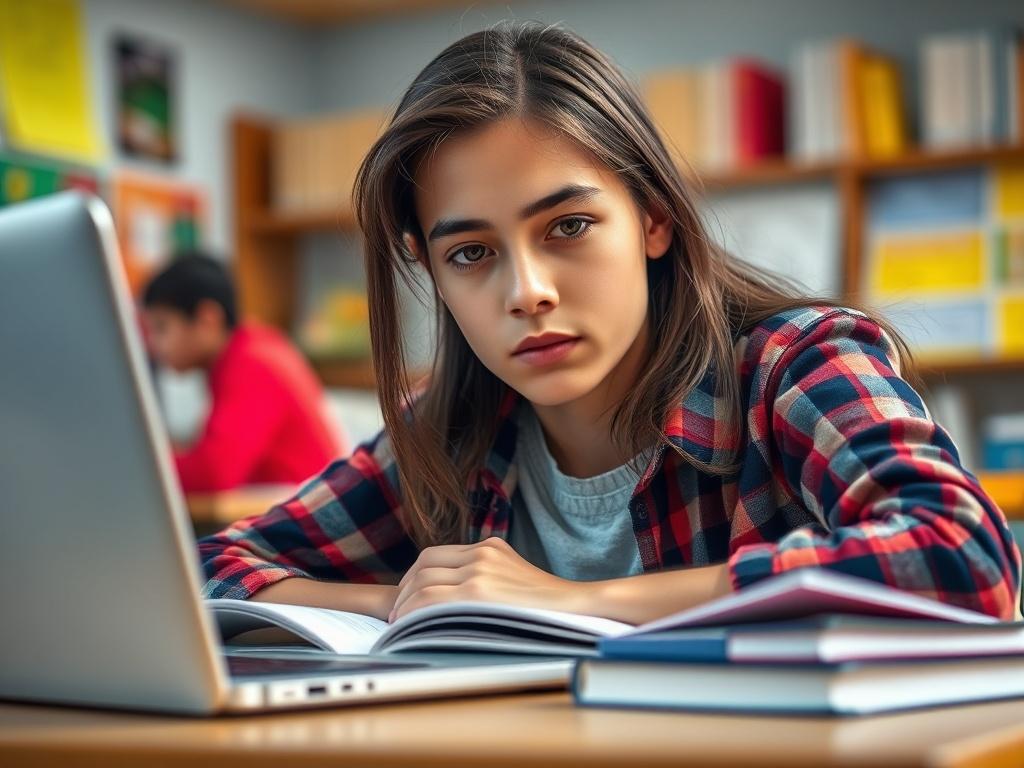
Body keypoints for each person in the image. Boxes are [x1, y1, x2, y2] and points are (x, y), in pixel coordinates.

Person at [198, 22, 1021, 625]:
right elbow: (209, 571)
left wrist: (577, 602)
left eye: (568, 227)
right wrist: (417, 601)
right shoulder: (448, 431)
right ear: (432, 271)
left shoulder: (791, 366)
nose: (527, 292)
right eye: (471, 253)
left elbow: (962, 554)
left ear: (653, 218)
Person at [142, 253, 347, 493]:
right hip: (297, 503)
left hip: (306, 509)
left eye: (162, 328)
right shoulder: (254, 346)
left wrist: (137, 465)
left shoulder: (251, 364)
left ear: (208, 318)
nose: (153, 345)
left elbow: (212, 472)